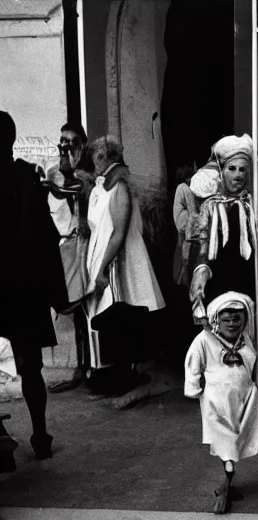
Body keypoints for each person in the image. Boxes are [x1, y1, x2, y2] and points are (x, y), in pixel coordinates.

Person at [0, 111, 68, 459]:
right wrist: (57, 292)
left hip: (8, 284)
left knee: (30, 366)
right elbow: (46, 237)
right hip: (24, 285)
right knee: (31, 366)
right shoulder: (28, 176)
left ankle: (3, 437)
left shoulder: (29, 177)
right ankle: (40, 435)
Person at [84, 135, 166, 396]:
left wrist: (102, 269)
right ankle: (109, 374)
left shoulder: (120, 186)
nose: (96, 163)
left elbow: (119, 234)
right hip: (101, 257)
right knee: (106, 318)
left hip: (116, 260)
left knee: (117, 316)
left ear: (111, 158)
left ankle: (121, 377)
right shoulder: (104, 186)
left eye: (99, 158)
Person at [184, 291, 258, 514]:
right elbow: (192, 364)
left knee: (238, 438)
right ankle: (227, 478)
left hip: (243, 398)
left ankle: (229, 476)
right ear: (216, 319)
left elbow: (251, 361)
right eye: (226, 319)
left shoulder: (245, 339)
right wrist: (193, 388)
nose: (232, 324)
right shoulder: (204, 340)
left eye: (237, 319)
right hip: (216, 401)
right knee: (225, 442)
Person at [185, 134, 258, 324]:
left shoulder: (250, 205)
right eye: (232, 169)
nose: (238, 174)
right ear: (222, 172)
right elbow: (199, 245)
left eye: (242, 169)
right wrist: (201, 270)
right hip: (218, 280)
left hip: (245, 279)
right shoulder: (210, 207)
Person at [44, 122, 95, 394]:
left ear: (82, 144)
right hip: (64, 247)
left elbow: (78, 191)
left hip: (86, 246)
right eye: (62, 140)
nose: (65, 145)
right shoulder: (54, 172)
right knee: (72, 307)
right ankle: (80, 367)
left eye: (72, 141)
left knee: (89, 306)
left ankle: (95, 365)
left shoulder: (88, 176)